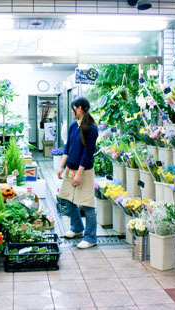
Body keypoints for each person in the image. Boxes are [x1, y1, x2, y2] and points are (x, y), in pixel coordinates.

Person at [57, 97, 98, 249]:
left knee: (87, 204)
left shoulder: (91, 129)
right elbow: (67, 147)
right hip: (70, 169)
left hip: (84, 171)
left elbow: (87, 153)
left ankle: (91, 237)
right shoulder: (74, 126)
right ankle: (77, 228)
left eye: (73, 108)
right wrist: (61, 166)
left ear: (79, 108)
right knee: (66, 197)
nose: (72, 111)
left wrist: (80, 174)